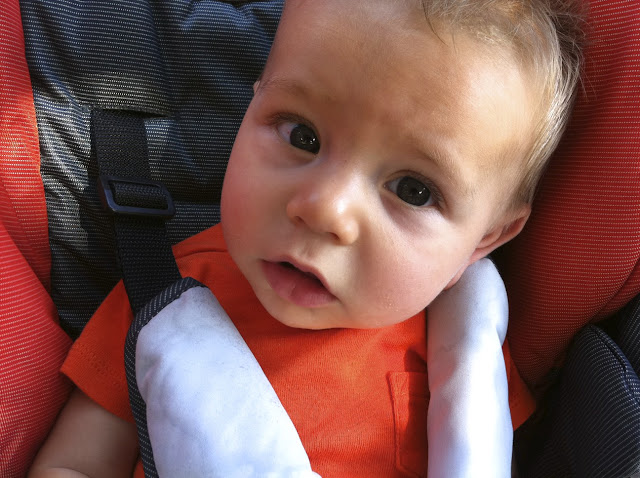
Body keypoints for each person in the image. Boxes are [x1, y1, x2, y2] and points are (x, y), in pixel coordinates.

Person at [29, 0, 585, 476]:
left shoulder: (461, 348)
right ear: (252, 104)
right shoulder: (160, 297)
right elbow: (75, 464)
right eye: (303, 135)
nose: (325, 210)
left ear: (484, 240)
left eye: (413, 190)